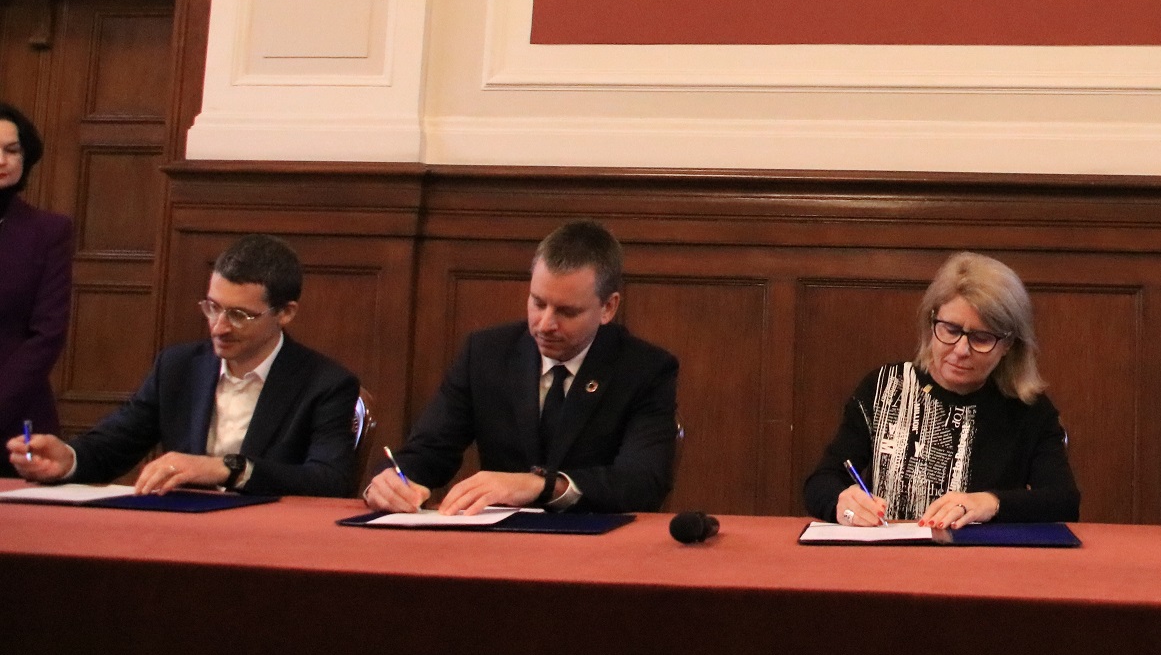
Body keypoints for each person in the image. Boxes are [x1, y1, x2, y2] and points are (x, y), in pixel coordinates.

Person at [7, 235, 359, 497]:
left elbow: (329, 480)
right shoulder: (178, 367)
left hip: (268, 539)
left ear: (285, 313)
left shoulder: (325, 383)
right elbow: (115, 444)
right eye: (213, 307)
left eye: (239, 315)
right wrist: (67, 459)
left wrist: (229, 470)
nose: (218, 327)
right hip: (181, 531)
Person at [366, 221, 678, 516]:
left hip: (595, 542)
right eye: (538, 303)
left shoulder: (645, 370)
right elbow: (429, 451)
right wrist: (391, 482)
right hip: (497, 541)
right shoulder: (486, 354)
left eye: (567, 312)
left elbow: (642, 482)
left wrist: (541, 486)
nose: (545, 324)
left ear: (608, 307)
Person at [804, 251, 1080, 529]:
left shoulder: (1028, 408)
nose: (961, 350)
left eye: (981, 338)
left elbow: (1063, 501)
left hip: (981, 554)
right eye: (951, 330)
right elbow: (822, 481)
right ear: (931, 321)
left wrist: (990, 503)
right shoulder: (885, 388)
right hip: (889, 551)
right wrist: (842, 502)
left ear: (1008, 344)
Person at [0, 103, 72, 440]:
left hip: (16, 414)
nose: (2, 160)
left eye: (12, 150)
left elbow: (47, 334)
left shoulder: (48, 231)